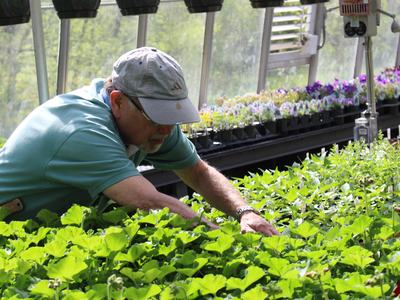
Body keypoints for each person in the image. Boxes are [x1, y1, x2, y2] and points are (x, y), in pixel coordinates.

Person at [0, 47, 278, 236]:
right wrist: (226, 241)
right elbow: (147, 200)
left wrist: (245, 213)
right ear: (118, 101)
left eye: (172, 115)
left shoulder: (153, 125)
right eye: (157, 116)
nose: (167, 129)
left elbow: (198, 173)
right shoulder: (80, 130)